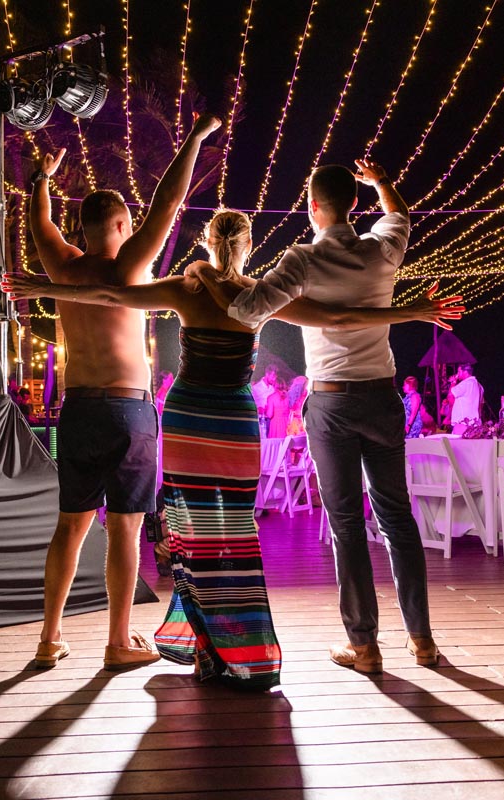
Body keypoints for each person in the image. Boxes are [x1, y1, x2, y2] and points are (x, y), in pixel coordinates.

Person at [5, 209, 460, 689]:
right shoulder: (260, 295)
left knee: (192, 534)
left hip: (186, 417)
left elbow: (111, 295)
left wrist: (49, 289)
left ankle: (205, 647)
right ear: (249, 244)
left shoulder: (185, 289)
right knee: (236, 533)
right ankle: (241, 645)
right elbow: (339, 317)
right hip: (234, 421)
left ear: (206, 241)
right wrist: (411, 312)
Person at [192, 158, 465, 674]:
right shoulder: (381, 250)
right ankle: (423, 640)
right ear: (355, 204)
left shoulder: (302, 259)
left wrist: (213, 274)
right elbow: (400, 216)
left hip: (331, 402)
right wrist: (382, 180)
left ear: (312, 207)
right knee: (397, 517)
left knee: (345, 522)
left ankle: (365, 647)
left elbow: (246, 310)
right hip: (381, 396)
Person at [22, 113, 223, 673]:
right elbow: (169, 202)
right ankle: (116, 641)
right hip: (128, 409)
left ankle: (49, 638)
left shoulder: (62, 267)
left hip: (78, 409)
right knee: (125, 527)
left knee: (70, 524)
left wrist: (42, 180)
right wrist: (195, 138)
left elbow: (40, 224)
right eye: (128, 222)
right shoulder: (129, 266)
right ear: (118, 224)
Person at [448, 364, 483, 434]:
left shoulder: (465, 383)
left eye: (459, 371)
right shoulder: (478, 385)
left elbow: (450, 395)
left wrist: (453, 382)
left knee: (459, 441)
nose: (457, 374)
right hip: (473, 422)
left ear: (465, 372)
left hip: (462, 424)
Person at [250, 364, 278, 434]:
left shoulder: (273, 389)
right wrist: (259, 408)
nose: (274, 379)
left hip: (271, 420)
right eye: (273, 376)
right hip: (260, 420)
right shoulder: (256, 388)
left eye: (275, 377)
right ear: (267, 374)